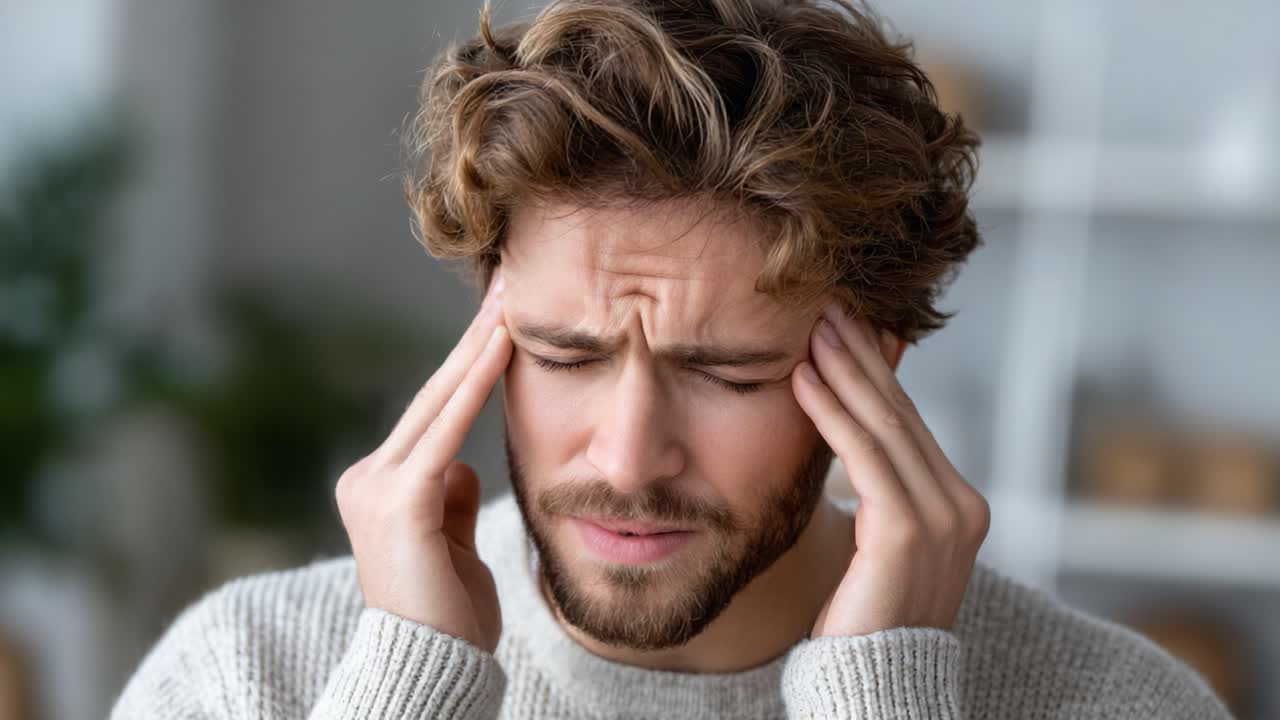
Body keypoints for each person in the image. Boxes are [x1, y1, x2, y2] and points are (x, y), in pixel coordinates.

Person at [111, 0, 1235, 717]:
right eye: (563, 353)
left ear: (876, 369)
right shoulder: (251, 675)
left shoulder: (1110, 703)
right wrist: (406, 686)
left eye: (725, 372)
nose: (629, 455)